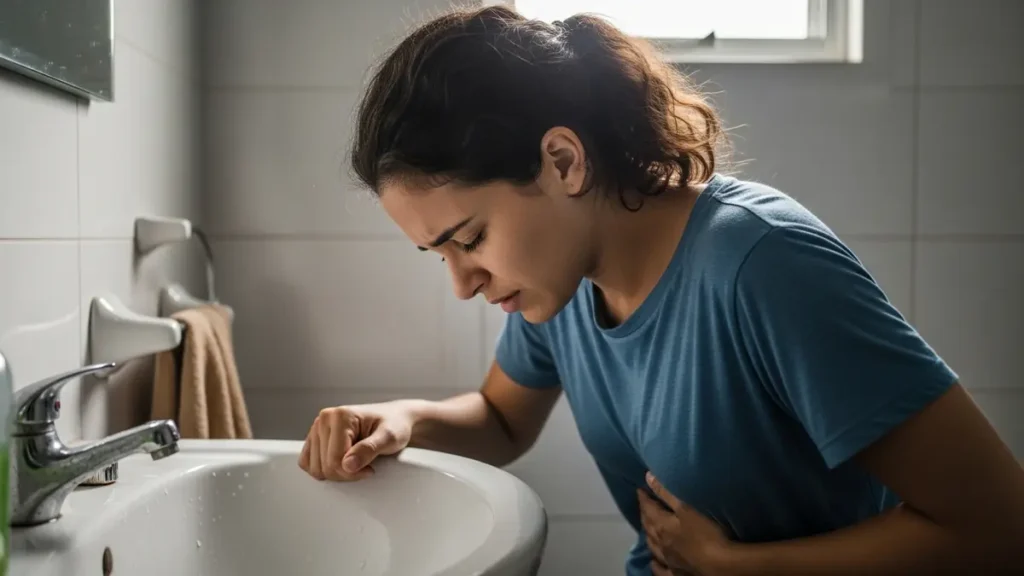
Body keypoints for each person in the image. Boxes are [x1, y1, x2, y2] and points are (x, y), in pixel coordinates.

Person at [298, 5, 1024, 575]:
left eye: (469, 238)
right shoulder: (561, 281)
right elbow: (501, 417)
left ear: (563, 161)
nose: (462, 284)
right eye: (439, 255)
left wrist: (739, 568)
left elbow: (998, 529)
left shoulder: (762, 264)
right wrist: (397, 420)